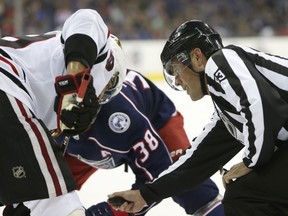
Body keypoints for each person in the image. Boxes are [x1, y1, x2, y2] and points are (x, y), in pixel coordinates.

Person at [108, 19, 288, 216]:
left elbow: (261, 106)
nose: (176, 80)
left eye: (175, 70)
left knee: (247, 196)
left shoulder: (223, 60)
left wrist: (250, 161)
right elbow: (196, 162)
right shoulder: (227, 111)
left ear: (197, 58)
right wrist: (146, 194)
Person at [55, 42, 225, 215]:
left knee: (187, 184)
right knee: (49, 187)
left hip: (156, 121)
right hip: (97, 133)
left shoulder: (123, 119)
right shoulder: (43, 107)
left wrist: (115, 213)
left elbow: (158, 172)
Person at [0, 8, 123, 216]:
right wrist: (76, 86)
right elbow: (86, 18)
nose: (101, 99)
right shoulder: (102, 57)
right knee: (59, 201)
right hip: (6, 82)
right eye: (107, 92)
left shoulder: (49, 117)